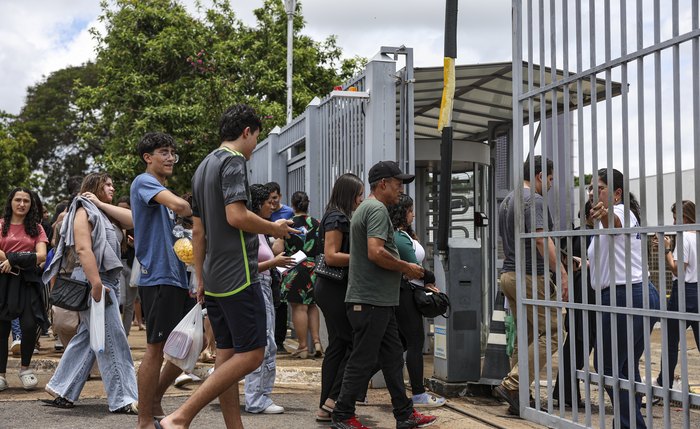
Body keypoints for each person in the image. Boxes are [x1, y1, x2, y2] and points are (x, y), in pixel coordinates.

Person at [158, 104, 296, 429]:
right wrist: (274, 228)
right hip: (240, 274)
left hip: (215, 278)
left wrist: (201, 278)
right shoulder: (233, 162)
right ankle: (180, 417)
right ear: (246, 132)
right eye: (256, 138)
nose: (255, 146)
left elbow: (199, 231)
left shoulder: (202, 167)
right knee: (253, 355)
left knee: (226, 356)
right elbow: (236, 216)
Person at [330, 160, 436, 429]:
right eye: (398, 184)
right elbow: (375, 252)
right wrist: (407, 267)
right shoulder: (376, 210)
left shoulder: (367, 208)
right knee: (362, 359)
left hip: (379, 301)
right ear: (383, 184)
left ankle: (404, 414)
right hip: (370, 301)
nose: (401, 189)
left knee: (390, 359)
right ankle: (342, 414)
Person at [42, 173, 138, 413]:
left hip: (107, 279)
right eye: (107, 184)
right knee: (113, 340)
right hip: (94, 279)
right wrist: (96, 283)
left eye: (113, 184)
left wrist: (101, 203)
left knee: (88, 338)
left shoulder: (103, 211)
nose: (112, 187)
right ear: (94, 186)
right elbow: (83, 248)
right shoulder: (83, 211)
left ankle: (62, 389)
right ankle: (124, 397)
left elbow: (134, 220)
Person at [494, 155, 568, 415]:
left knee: (525, 336)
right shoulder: (533, 200)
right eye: (549, 179)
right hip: (529, 277)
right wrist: (560, 270)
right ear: (539, 176)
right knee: (556, 332)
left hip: (509, 275)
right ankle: (512, 383)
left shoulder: (508, 201)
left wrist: (568, 258)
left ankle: (519, 396)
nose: (549, 185)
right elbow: (539, 239)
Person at [130, 132, 193, 429]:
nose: (170, 158)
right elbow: (182, 207)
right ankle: (144, 420)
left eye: (172, 153)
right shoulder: (145, 182)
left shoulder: (158, 188)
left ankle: (154, 398)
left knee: (190, 343)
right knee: (155, 348)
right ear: (148, 157)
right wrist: (198, 208)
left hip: (177, 276)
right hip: (157, 276)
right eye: (163, 152)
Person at [588, 168, 660, 429]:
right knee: (625, 368)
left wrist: (605, 214)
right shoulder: (610, 219)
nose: (592, 192)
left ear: (616, 193)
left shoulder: (619, 212)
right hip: (636, 293)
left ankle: (632, 424)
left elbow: (614, 223)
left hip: (624, 296)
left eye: (600, 188)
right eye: (590, 188)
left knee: (607, 367)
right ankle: (627, 422)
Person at [314, 173, 364, 422]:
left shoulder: (337, 215)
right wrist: (363, 258)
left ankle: (326, 404)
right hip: (333, 288)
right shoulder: (336, 217)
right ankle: (333, 399)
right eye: (359, 194)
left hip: (331, 287)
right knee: (352, 341)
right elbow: (331, 255)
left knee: (338, 344)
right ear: (349, 194)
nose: (361, 200)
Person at [389, 193, 446, 408]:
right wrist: (429, 279)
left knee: (399, 344)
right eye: (410, 210)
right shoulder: (398, 236)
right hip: (405, 295)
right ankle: (419, 395)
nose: (413, 214)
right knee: (414, 342)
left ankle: (356, 388)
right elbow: (414, 268)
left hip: (410, 292)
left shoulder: (405, 234)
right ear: (402, 213)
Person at [244, 183, 296, 414]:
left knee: (267, 343)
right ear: (258, 205)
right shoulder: (250, 230)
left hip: (264, 285)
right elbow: (245, 267)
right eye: (268, 202)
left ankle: (261, 395)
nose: (272, 206)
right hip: (257, 286)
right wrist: (274, 263)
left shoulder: (260, 229)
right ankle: (257, 398)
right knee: (264, 344)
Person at [0, 187, 48, 392]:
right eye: (17, 200)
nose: (21, 204)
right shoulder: (1, 225)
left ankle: (25, 369)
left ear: (31, 204)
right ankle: (1, 375)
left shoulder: (37, 228)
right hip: (3, 281)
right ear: (10, 202)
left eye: (26, 201)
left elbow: (42, 256)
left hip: (28, 283)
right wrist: (21, 259)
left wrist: (13, 259)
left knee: (29, 325)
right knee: (2, 329)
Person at [552, 199, 596, 408]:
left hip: (577, 294)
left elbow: (563, 261)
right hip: (589, 295)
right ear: (590, 214)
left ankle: (564, 392)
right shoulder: (591, 235)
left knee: (576, 344)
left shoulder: (573, 235)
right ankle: (566, 392)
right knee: (580, 345)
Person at [654, 200, 698, 390]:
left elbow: (678, 269)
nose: (673, 223)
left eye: (675, 218)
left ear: (684, 217)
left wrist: (666, 250)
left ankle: (665, 382)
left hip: (684, 291)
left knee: (671, 340)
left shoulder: (685, 237)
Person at [277, 191, 322, 358]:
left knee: (298, 307)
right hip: (312, 266)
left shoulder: (288, 223)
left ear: (293, 205)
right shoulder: (316, 223)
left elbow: (278, 249)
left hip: (294, 266)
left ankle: (303, 346)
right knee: (312, 305)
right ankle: (317, 342)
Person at [266, 181, 294, 354]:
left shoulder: (288, 212)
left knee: (280, 302)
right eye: (269, 200)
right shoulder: (263, 214)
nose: (272, 203)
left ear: (280, 196)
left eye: (275, 199)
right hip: (267, 260)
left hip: (282, 261)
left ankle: (279, 340)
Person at [115, 196, 140, 336]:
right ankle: (116, 334)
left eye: (126, 209)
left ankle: (125, 335)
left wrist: (134, 245)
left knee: (130, 304)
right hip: (118, 267)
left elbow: (144, 247)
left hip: (132, 267)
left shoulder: (136, 225)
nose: (123, 211)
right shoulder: (112, 225)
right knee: (118, 302)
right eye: (120, 208)